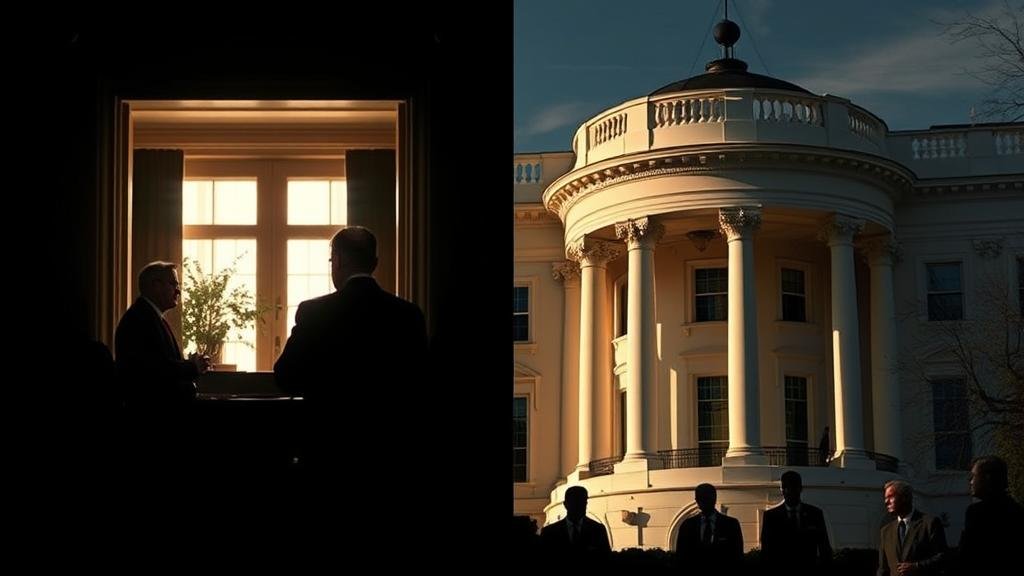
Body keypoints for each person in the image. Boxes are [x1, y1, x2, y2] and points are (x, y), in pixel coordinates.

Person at [274, 226, 428, 471]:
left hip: (329, 449)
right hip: (392, 453)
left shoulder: (314, 312)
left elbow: (285, 376)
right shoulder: (408, 315)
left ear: (338, 260)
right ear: (374, 262)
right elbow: (421, 385)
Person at [115, 261, 211, 409]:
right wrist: (192, 367)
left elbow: (161, 361)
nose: (178, 291)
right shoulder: (140, 320)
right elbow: (155, 370)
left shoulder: (148, 316)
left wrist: (188, 364)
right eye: (173, 284)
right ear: (156, 286)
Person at [957, 455, 1024, 574]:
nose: (970, 482)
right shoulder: (1016, 510)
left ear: (987, 478)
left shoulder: (976, 512)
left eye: (973, 476)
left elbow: (966, 557)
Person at [761, 470, 832, 575]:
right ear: (781, 489)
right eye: (786, 488)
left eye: (793, 487)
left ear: (800, 489)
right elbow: (766, 552)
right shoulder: (771, 517)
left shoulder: (815, 514)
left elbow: (824, 548)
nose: (789, 491)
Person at [877, 480, 947, 576]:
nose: (886, 502)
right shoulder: (885, 531)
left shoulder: (929, 523)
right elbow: (883, 569)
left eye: (890, 497)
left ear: (905, 498)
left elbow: (943, 558)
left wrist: (917, 566)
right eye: (885, 498)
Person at [676, 483, 743, 572]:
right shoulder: (687, 526)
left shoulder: (731, 525)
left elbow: (737, 556)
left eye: (706, 498)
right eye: (701, 498)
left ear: (714, 498)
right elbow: (681, 556)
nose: (704, 501)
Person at [539, 485, 611, 565]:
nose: (581, 506)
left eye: (583, 502)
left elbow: (605, 559)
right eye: (576, 502)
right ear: (566, 504)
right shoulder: (549, 532)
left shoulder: (598, 530)